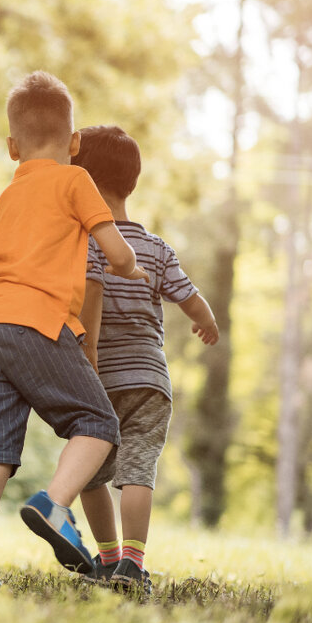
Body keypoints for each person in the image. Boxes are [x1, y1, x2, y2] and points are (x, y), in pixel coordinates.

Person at [0, 71, 149, 593]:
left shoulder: (7, 196)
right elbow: (115, 248)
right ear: (75, 144)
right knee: (99, 424)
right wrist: (132, 268)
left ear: (12, 147)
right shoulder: (76, 180)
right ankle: (55, 504)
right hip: (35, 321)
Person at [73, 125, 219, 595]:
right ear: (130, 181)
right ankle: (133, 564)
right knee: (139, 468)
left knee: (91, 474)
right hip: (150, 380)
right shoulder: (155, 247)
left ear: (82, 180)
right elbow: (190, 298)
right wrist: (208, 323)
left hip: (98, 377)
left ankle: (109, 557)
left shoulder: (83, 243)